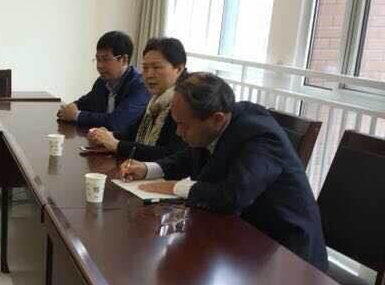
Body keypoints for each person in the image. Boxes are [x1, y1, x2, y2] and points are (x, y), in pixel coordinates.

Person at [119, 72, 328, 270]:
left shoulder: (259, 137)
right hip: (241, 238)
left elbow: (233, 196)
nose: (178, 132)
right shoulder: (213, 124)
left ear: (217, 119)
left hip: (285, 254)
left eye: (184, 126)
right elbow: (188, 157)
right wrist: (147, 169)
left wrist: (175, 187)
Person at [87, 37, 188, 161]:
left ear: (178, 69)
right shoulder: (156, 100)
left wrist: (116, 145)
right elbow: (132, 133)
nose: (149, 74)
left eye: (156, 68)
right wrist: (107, 135)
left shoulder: (184, 103)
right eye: (145, 68)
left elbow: (170, 155)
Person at [56, 30, 150, 132]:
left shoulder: (141, 86)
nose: (99, 66)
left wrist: (76, 115)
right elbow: (86, 102)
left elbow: (116, 122)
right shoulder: (102, 82)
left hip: (124, 142)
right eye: (98, 59)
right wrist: (71, 107)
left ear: (124, 60)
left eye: (105, 59)